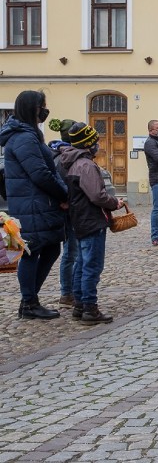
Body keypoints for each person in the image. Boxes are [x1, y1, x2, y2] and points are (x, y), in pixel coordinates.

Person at [0, 90, 68, 320]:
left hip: (36, 202)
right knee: (34, 251)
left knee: (49, 247)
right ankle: (29, 302)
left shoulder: (28, 134)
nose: (45, 111)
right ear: (33, 109)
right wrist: (63, 195)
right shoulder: (24, 137)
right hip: (33, 203)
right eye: (42, 106)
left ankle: (29, 300)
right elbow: (40, 173)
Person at [59, 122, 124, 324]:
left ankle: (79, 305)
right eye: (95, 141)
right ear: (88, 143)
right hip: (91, 219)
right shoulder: (85, 165)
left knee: (82, 263)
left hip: (80, 218)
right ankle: (89, 307)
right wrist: (115, 203)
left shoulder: (72, 162)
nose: (98, 145)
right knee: (92, 265)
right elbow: (97, 195)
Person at [47, 118, 79, 308]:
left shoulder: (58, 153)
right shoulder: (64, 157)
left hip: (70, 208)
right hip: (70, 209)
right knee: (71, 252)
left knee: (71, 251)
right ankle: (67, 292)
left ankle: (69, 291)